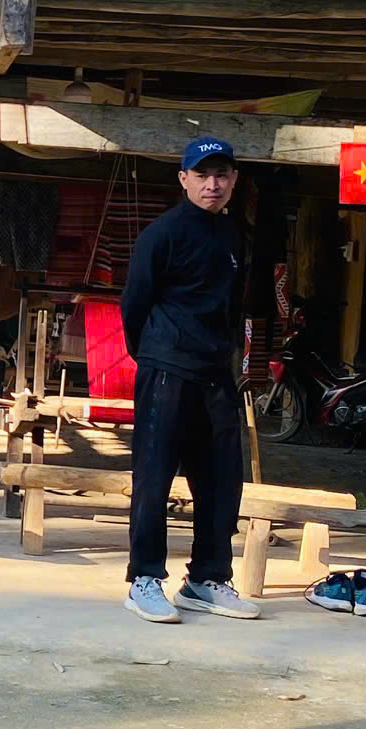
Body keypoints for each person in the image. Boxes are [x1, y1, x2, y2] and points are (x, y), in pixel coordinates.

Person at [118, 135, 260, 625]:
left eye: (221, 175)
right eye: (202, 175)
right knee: (154, 477)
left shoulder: (235, 236)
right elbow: (134, 304)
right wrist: (156, 354)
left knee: (221, 480)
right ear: (183, 179)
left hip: (216, 374)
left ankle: (207, 578)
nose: (212, 185)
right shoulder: (162, 234)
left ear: (234, 180)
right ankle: (144, 579)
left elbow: (233, 305)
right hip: (166, 369)